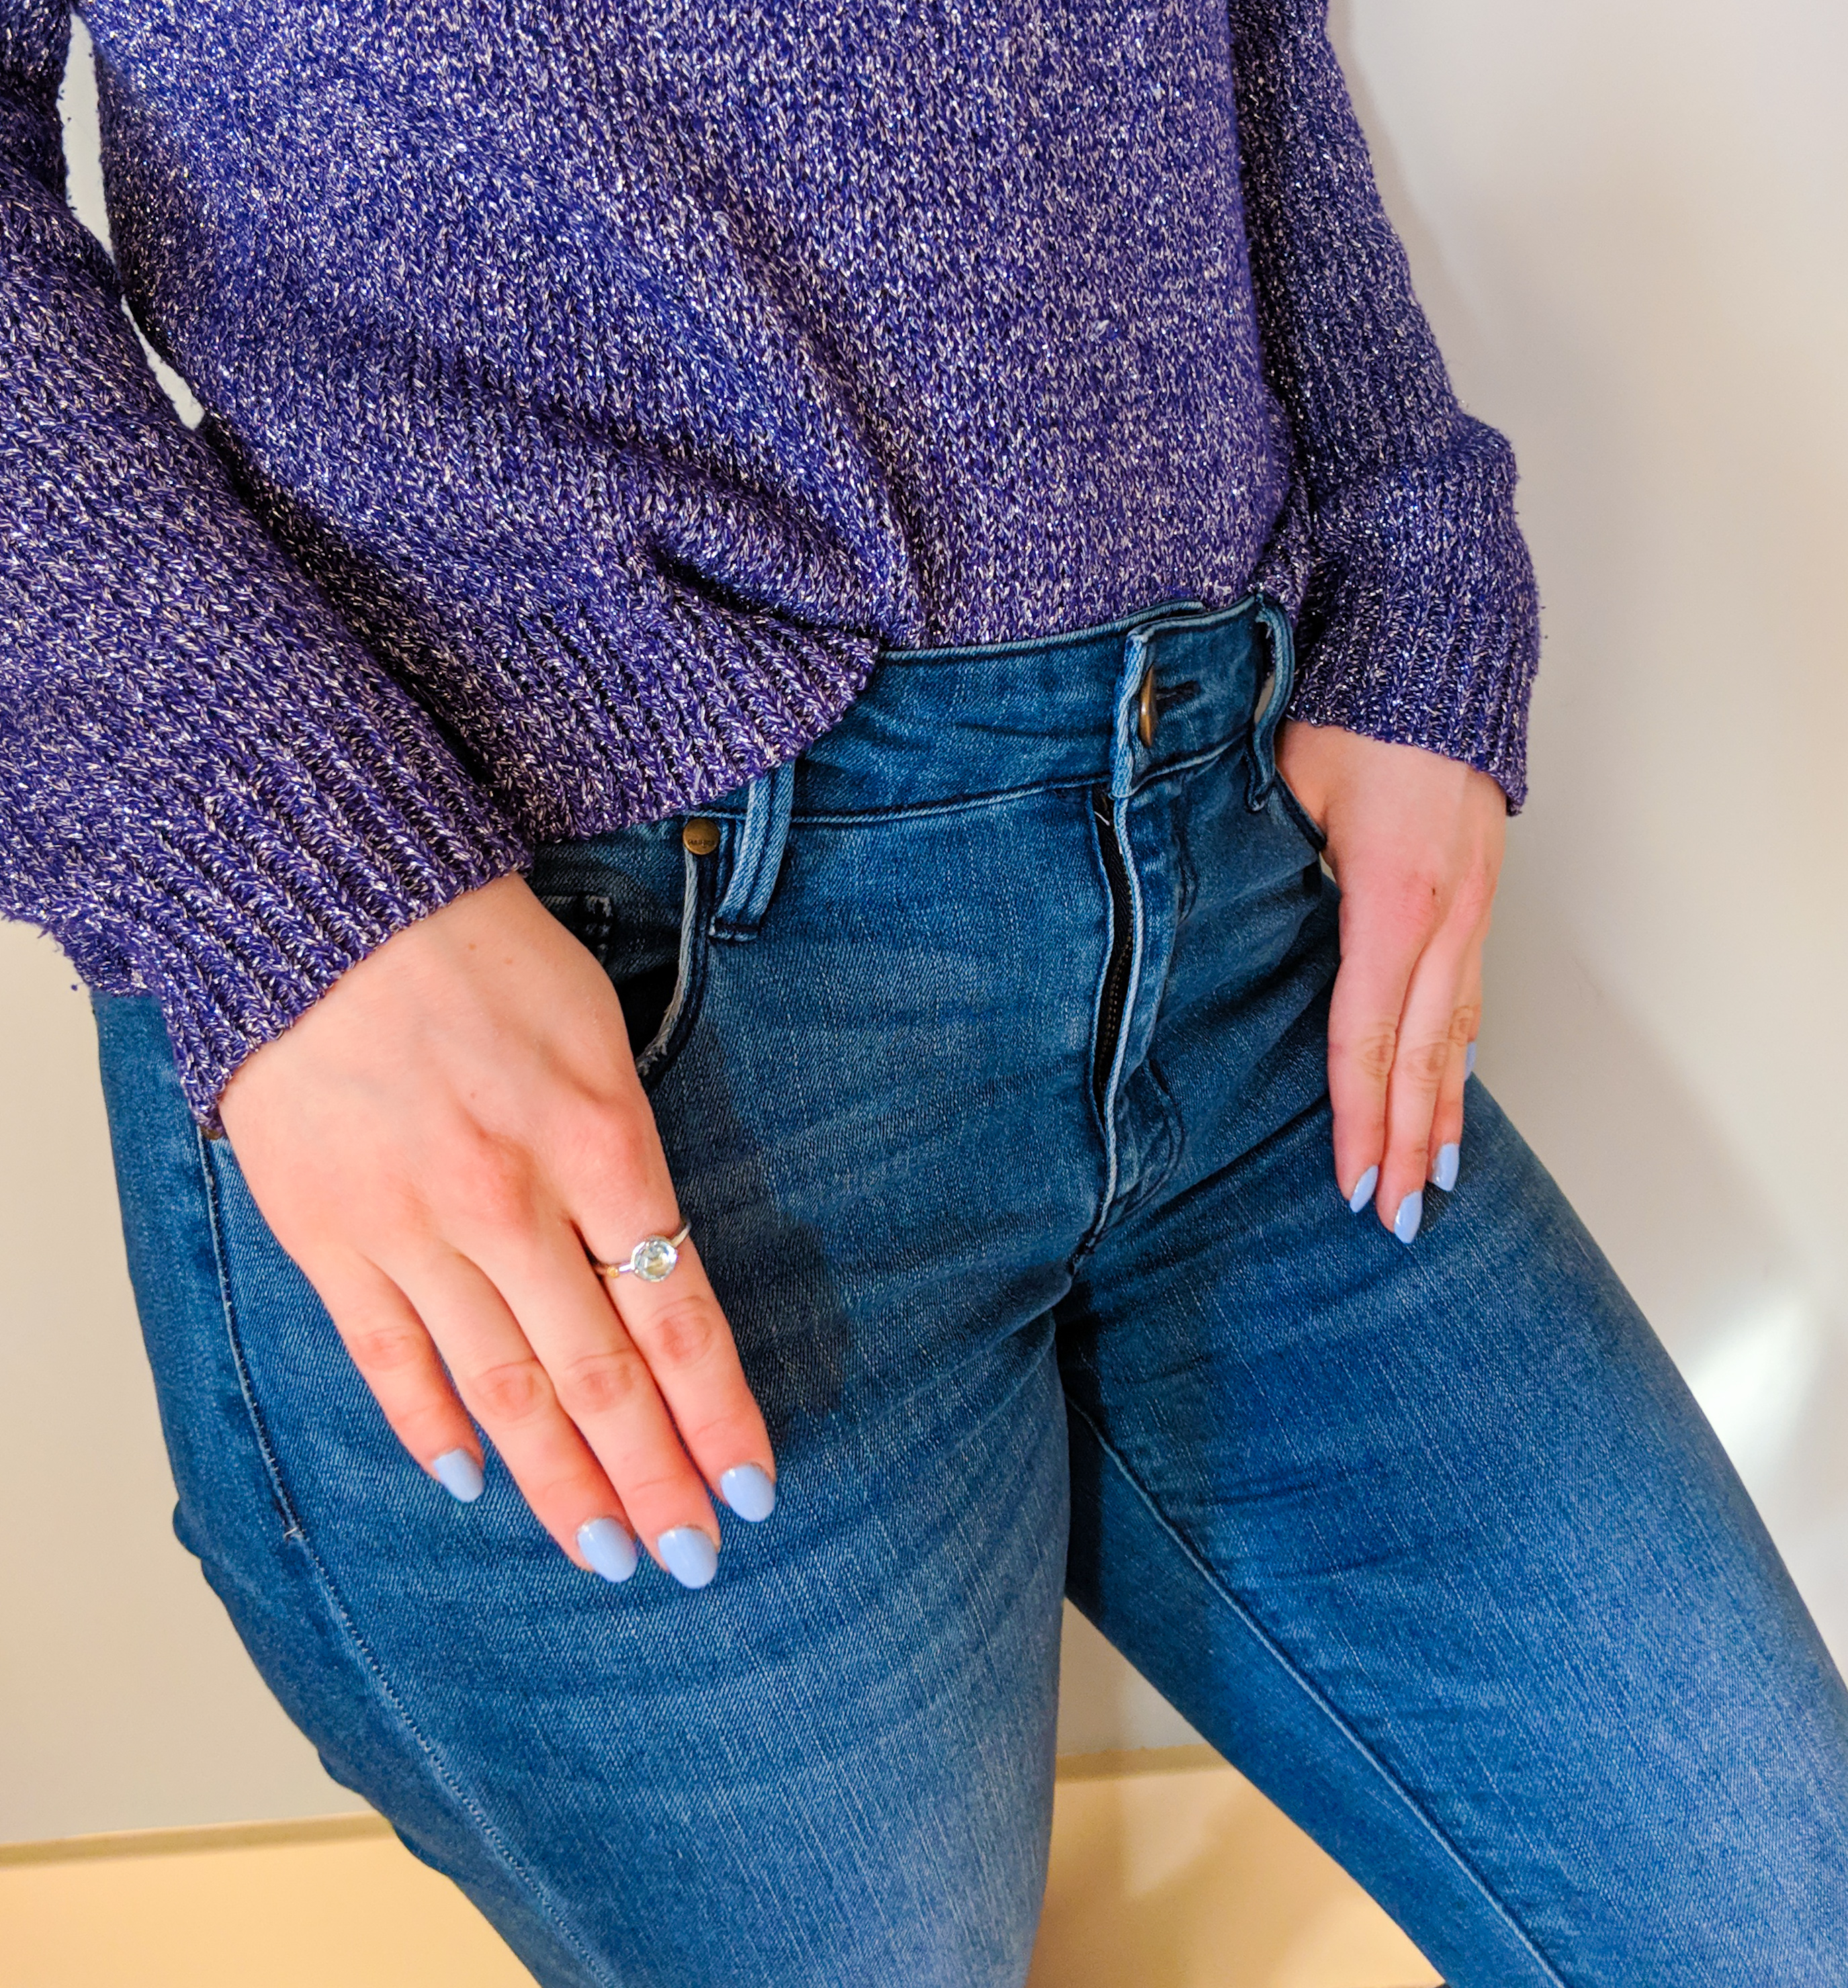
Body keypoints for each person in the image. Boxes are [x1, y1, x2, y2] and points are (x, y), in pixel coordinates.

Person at [4, 0, 1846, 1980]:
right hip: (605, 1027)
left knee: (1770, 1924)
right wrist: (275, 860)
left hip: (1232, 902)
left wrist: (1412, 540)